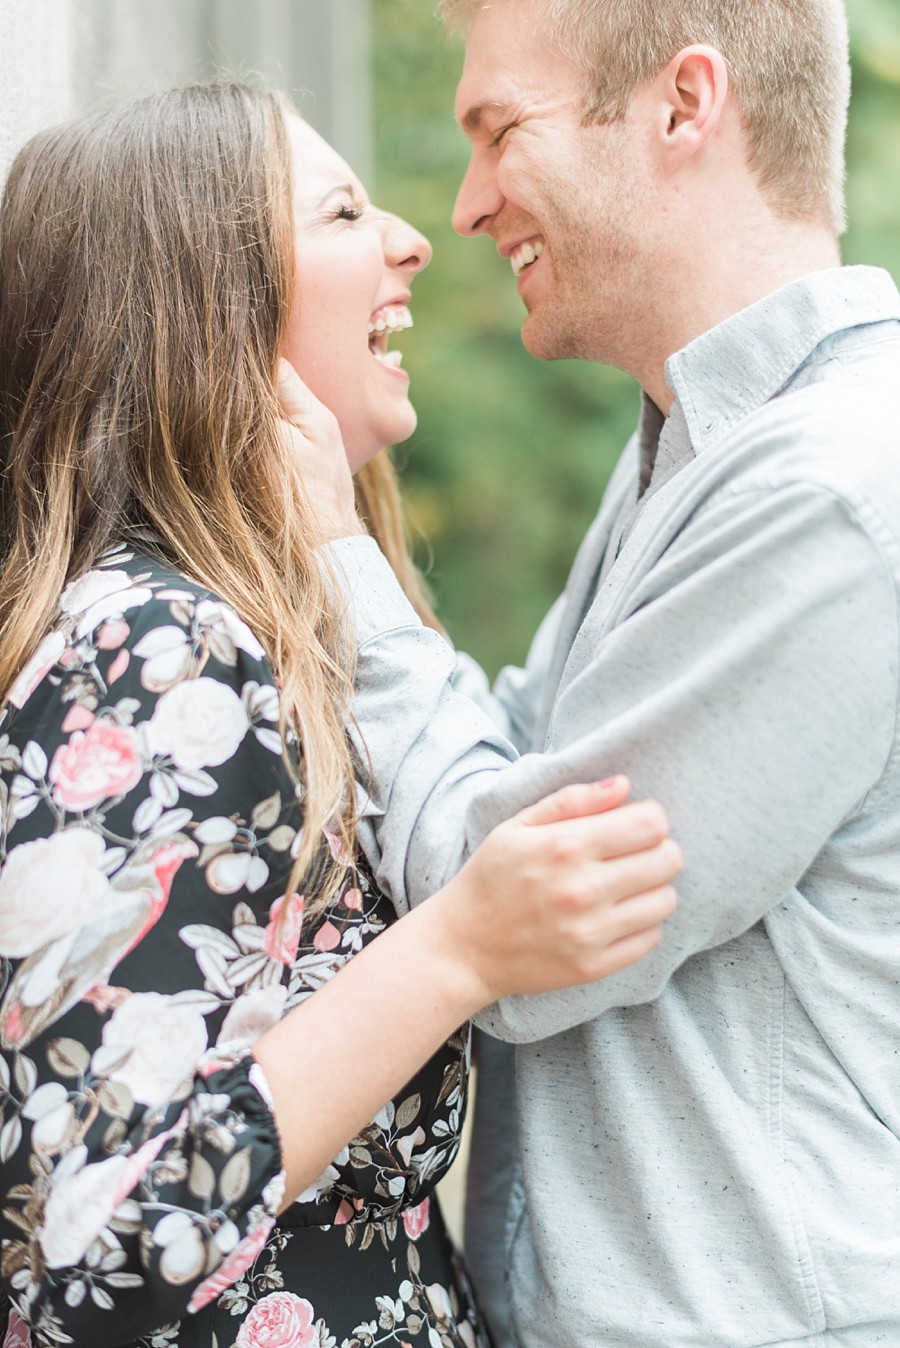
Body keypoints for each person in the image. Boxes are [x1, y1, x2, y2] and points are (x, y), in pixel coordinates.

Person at [0, 84, 684, 1348]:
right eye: (344, 209)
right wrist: (457, 949)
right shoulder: (152, 648)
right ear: (211, 302)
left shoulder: (256, 636)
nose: (415, 239)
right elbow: (97, 1247)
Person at [283, 0, 900, 1343]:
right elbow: (508, 758)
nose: (465, 204)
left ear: (685, 106)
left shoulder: (836, 489)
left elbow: (506, 916)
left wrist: (334, 549)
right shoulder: (699, 443)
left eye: (502, 131)